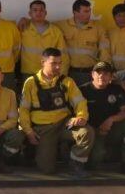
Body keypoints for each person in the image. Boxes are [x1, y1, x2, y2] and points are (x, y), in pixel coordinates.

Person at [19, 47, 93, 178]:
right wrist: (29, 132)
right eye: (54, 63)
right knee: (47, 169)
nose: (58, 67)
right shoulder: (30, 83)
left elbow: (80, 101)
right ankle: (36, 151)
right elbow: (23, 110)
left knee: (86, 132)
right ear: (43, 62)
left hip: (64, 124)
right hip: (44, 129)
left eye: (60, 63)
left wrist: (81, 116)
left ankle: (76, 164)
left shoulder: (67, 81)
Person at [80, 61, 125, 175]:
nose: (101, 76)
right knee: (96, 158)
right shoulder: (83, 90)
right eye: (98, 73)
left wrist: (111, 119)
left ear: (111, 76)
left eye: (106, 73)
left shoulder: (116, 89)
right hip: (93, 132)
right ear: (92, 74)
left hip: (111, 129)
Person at [56, 0, 111, 86]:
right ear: (75, 12)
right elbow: (44, 24)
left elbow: (104, 52)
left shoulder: (98, 28)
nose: (89, 14)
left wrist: (105, 71)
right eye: (85, 11)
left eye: (89, 11)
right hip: (70, 73)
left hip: (90, 74)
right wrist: (27, 21)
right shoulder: (62, 25)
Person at [19, 0, 69, 91]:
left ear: (45, 13)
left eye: (41, 10)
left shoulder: (55, 31)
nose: (38, 12)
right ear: (30, 13)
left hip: (49, 73)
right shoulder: (23, 29)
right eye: (35, 10)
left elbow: (63, 55)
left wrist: (61, 74)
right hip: (28, 73)